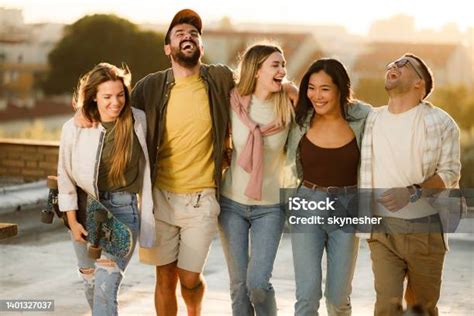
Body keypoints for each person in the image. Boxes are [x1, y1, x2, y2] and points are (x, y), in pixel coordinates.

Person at [132, 9, 235, 316]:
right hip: (159, 197)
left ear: (201, 46)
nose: (188, 36)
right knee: (164, 276)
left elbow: (256, 89)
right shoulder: (149, 87)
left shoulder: (220, 79)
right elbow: (119, 121)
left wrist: (288, 87)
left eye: (194, 33)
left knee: (188, 279)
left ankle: (195, 312)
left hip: (201, 198)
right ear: (168, 48)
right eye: (179, 34)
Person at [359, 53, 461, 315]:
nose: (393, 65)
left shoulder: (441, 122)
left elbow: (450, 172)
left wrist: (412, 193)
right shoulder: (370, 119)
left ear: (420, 83)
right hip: (382, 229)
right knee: (386, 307)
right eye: (392, 62)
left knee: (421, 308)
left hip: (425, 229)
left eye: (403, 64)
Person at [57, 62, 155, 315]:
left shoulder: (138, 121)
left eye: (120, 95)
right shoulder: (74, 128)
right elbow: (65, 176)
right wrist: (72, 220)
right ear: (94, 97)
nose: (116, 102)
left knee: (104, 287)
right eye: (107, 96)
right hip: (85, 211)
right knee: (91, 283)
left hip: (123, 213)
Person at [284, 58, 372, 315]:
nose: (316, 96)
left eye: (325, 88)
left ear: (341, 89)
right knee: (307, 298)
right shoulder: (301, 116)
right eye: (311, 87)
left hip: (347, 207)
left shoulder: (363, 118)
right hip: (306, 203)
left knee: (337, 299)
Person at [218, 43, 295, 316]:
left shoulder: (289, 105)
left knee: (258, 284)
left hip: (270, 207)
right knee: (239, 286)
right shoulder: (233, 102)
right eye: (275, 65)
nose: (282, 70)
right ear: (257, 69)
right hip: (231, 205)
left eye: (283, 65)